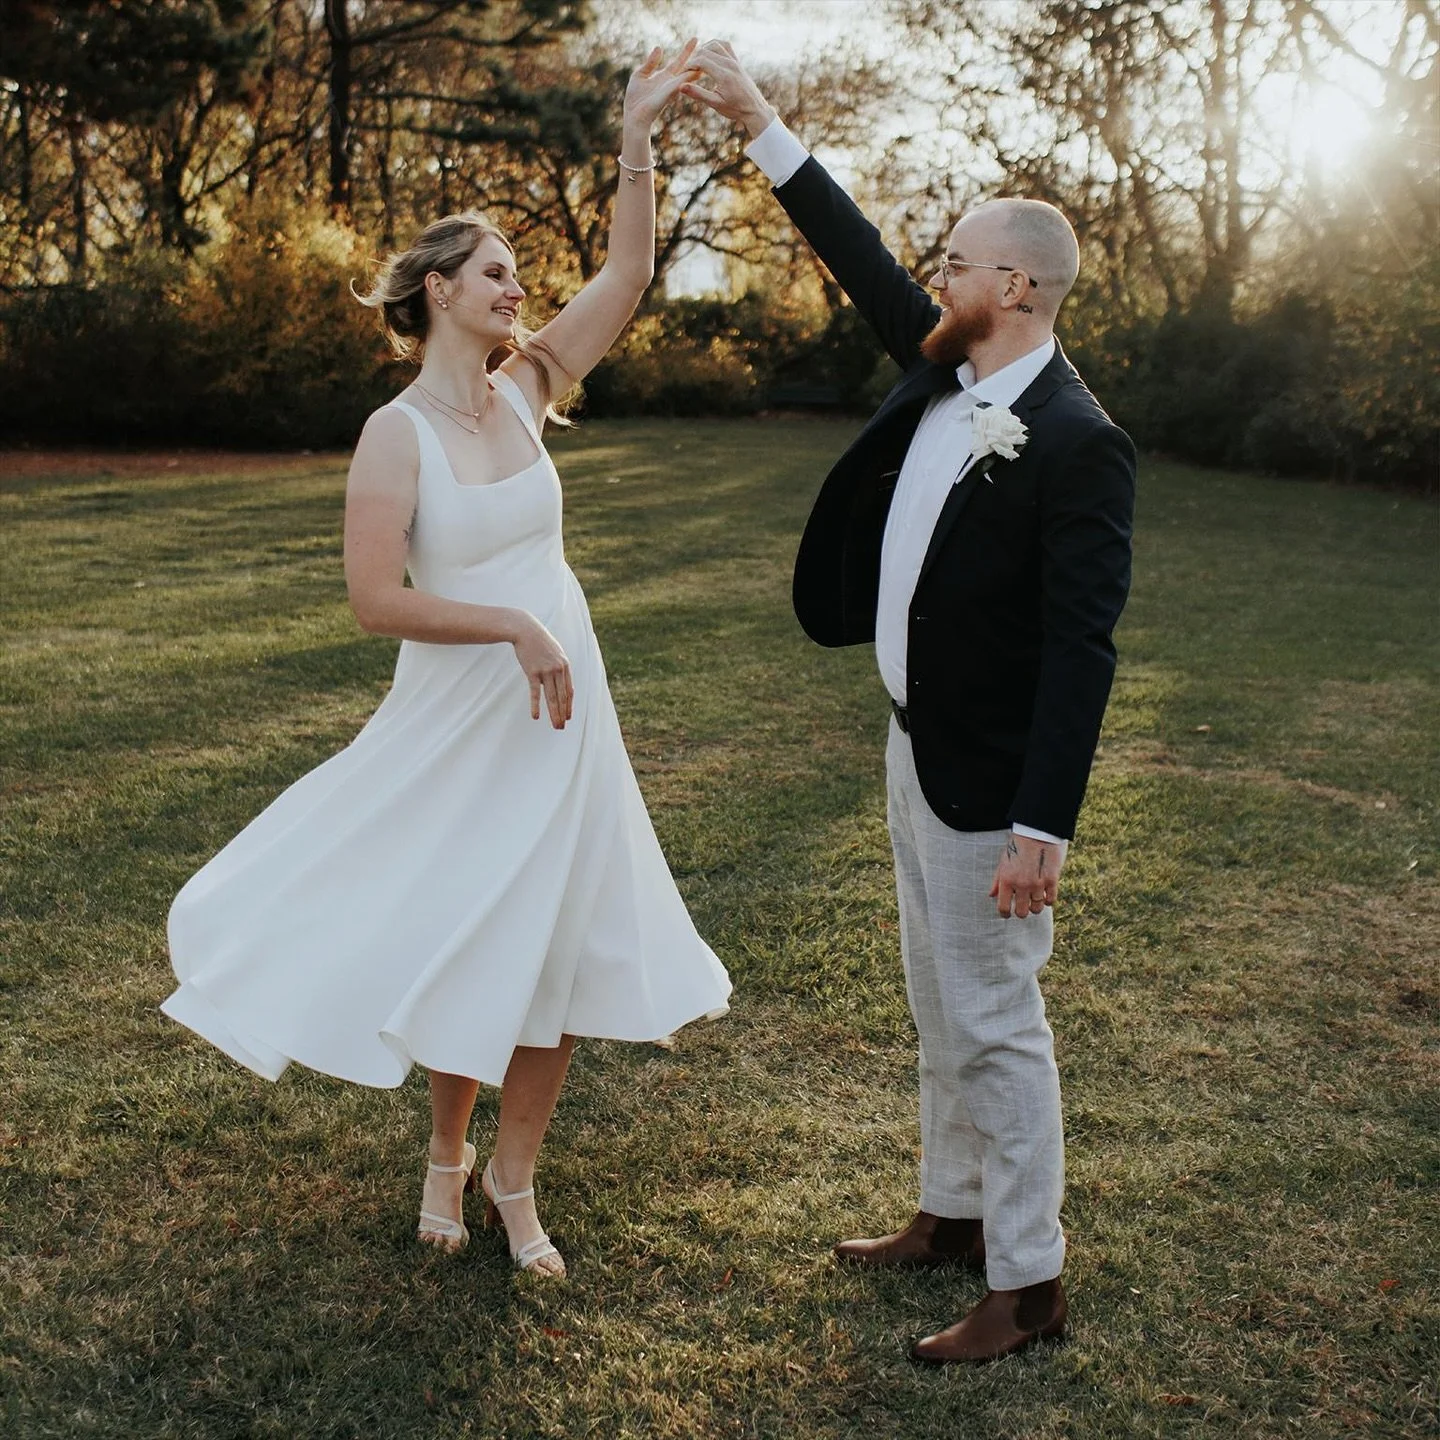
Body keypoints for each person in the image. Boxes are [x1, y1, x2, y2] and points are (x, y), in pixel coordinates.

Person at [162, 41, 730, 1279]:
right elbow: (376, 601)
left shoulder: (528, 395)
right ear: (434, 290)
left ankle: (514, 1182)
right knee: (472, 935)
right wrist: (513, 626)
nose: (518, 288)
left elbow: (629, 271)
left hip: (563, 720)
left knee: (558, 945)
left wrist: (635, 132)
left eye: (521, 273)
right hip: (464, 711)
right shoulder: (393, 434)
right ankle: (443, 1157)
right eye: (495, 272)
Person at [684, 44, 1135, 1363]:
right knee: (938, 1003)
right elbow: (855, 250)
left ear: (1014, 288)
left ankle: (1031, 1283)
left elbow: (1083, 651)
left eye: (953, 262)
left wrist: (1044, 822)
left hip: (994, 783)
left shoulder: (1075, 442)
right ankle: (949, 1212)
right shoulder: (946, 367)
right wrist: (763, 125)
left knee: (996, 1021)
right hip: (912, 747)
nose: (930, 278)